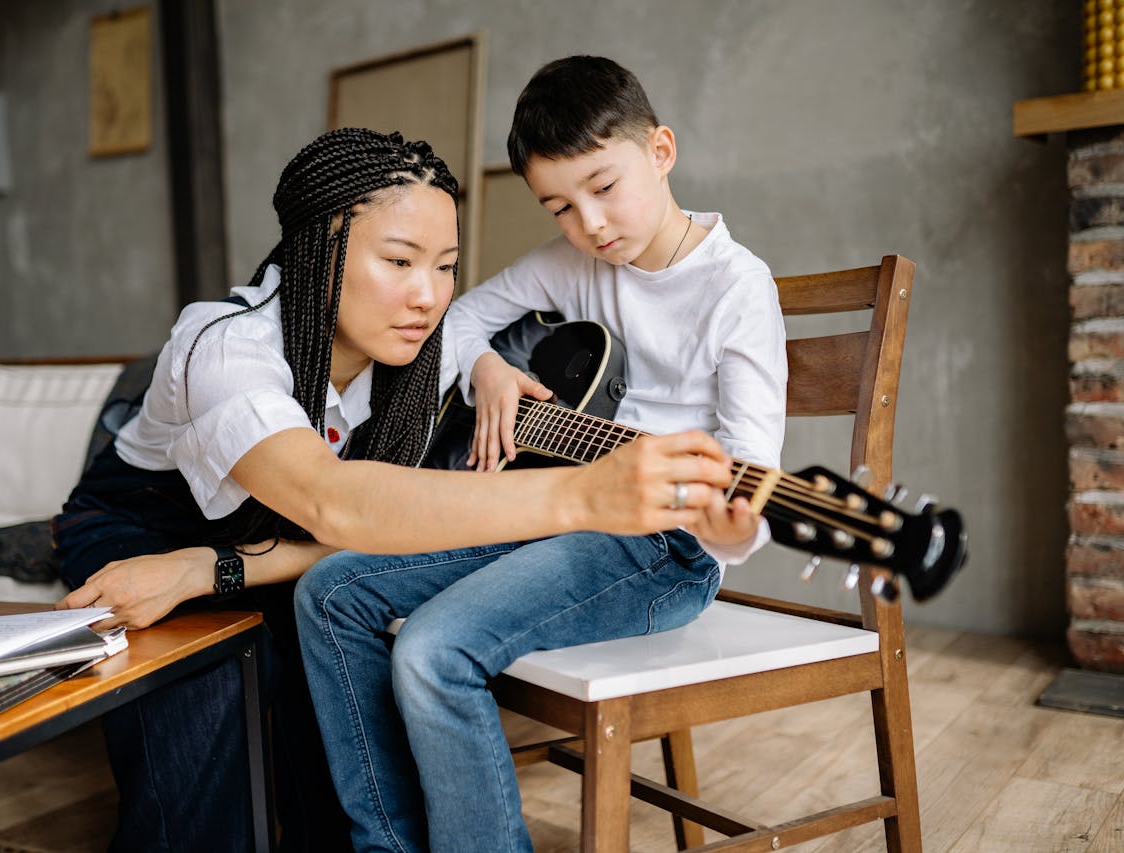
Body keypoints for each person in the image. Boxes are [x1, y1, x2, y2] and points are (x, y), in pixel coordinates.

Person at [51, 126, 736, 853]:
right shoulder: (225, 344)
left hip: (290, 543)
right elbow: (333, 500)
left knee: (325, 671)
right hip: (152, 525)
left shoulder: (423, 353)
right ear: (317, 256)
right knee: (207, 684)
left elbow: (359, 525)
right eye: (399, 261)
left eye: (445, 267)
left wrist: (487, 368)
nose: (429, 296)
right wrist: (584, 497)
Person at [293, 56, 789, 853]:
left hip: (663, 549)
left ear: (661, 151)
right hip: (554, 510)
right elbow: (456, 321)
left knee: (432, 648)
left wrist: (730, 528)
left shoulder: (737, 287)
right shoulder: (578, 265)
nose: (589, 224)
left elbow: (750, 483)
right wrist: (489, 367)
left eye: (603, 187)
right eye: (560, 206)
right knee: (329, 592)